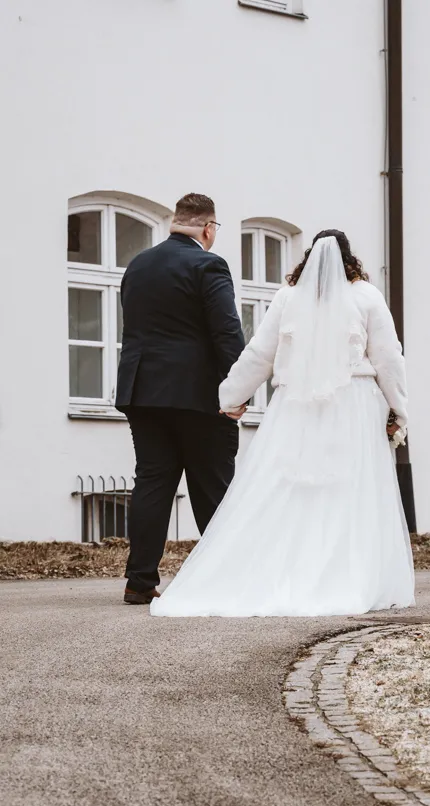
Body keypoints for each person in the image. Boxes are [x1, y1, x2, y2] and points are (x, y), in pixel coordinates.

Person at [151, 230, 414, 618]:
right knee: (348, 489)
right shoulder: (367, 296)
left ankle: (284, 572)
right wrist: (400, 407)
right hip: (354, 404)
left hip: (295, 405)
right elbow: (389, 358)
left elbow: (259, 352)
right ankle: (347, 575)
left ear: (308, 259)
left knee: (290, 486)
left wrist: (230, 396)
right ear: (349, 260)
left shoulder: (288, 298)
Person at [116, 193, 245, 604]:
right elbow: (227, 332)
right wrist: (237, 389)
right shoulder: (208, 263)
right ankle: (226, 576)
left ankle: (140, 582)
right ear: (209, 228)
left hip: (142, 391)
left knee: (152, 482)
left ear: (175, 222)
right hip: (197, 394)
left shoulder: (138, 264)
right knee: (213, 486)